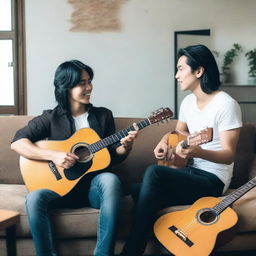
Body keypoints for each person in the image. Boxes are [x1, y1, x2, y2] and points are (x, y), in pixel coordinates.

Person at [120, 44, 242, 256]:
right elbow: (178, 133)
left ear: (199, 71)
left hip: (213, 181)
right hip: (189, 173)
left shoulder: (226, 104)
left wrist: (198, 152)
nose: (176, 75)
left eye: (180, 69)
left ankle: (133, 250)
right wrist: (164, 141)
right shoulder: (188, 102)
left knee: (154, 173)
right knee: (134, 190)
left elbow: (229, 154)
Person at [11, 60, 138, 256]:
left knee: (111, 179)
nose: (89, 87)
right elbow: (17, 142)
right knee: (34, 197)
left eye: (89, 81)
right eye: (82, 83)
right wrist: (53, 155)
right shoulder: (50, 118)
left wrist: (125, 147)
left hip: (91, 190)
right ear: (66, 87)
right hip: (59, 190)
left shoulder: (103, 116)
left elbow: (112, 157)